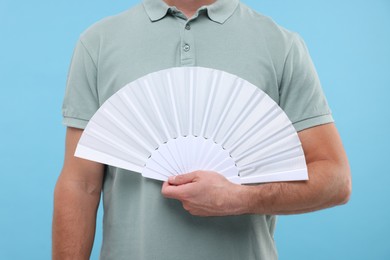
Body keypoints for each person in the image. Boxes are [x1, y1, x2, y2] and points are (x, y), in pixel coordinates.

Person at [52, 0, 352, 259]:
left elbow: (335, 180)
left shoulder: (280, 45)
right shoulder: (98, 42)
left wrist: (239, 198)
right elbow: (80, 185)